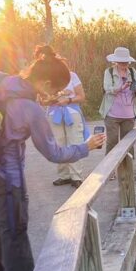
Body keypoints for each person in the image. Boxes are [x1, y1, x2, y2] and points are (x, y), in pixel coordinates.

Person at [0, 46, 105, 271]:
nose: (54, 94)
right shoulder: (31, 109)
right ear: (45, 82)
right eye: (54, 89)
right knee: (13, 230)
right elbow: (53, 153)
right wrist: (85, 147)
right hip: (5, 177)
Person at [39, 45, 88, 188]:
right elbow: (42, 100)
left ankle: (76, 176)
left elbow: (81, 96)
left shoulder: (72, 76)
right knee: (59, 144)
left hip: (72, 112)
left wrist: (68, 99)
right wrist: (50, 99)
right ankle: (64, 175)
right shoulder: (46, 79)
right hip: (55, 114)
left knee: (75, 142)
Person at [99, 47, 136, 156]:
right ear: (116, 61)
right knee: (112, 142)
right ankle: (110, 170)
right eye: (121, 61)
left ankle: (127, 170)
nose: (124, 63)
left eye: (125, 61)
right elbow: (107, 88)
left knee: (128, 143)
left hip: (129, 115)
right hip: (112, 114)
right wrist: (121, 87)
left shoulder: (132, 72)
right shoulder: (109, 72)